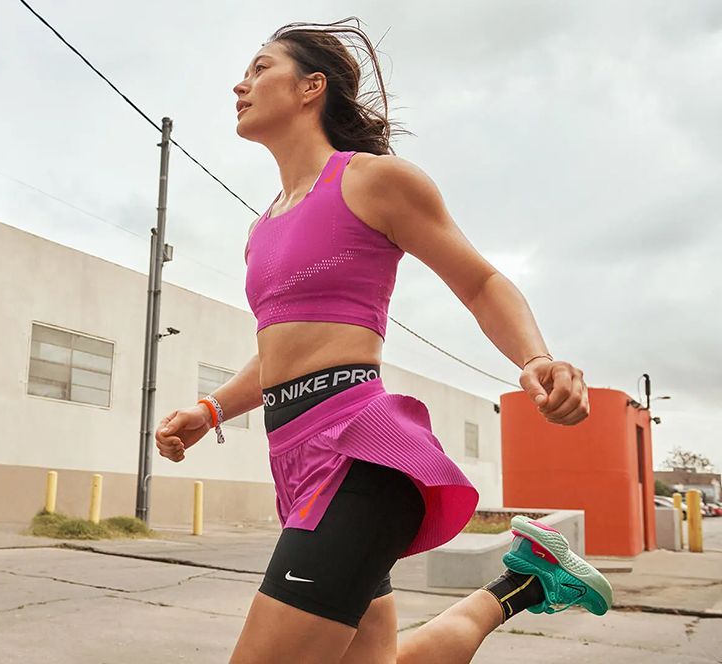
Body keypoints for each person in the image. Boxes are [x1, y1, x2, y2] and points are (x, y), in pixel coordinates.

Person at [153, 18, 613, 664]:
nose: (241, 83)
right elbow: (283, 350)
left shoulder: (372, 181)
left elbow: (479, 281)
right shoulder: (261, 230)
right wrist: (211, 410)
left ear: (311, 87)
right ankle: (526, 582)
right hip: (295, 461)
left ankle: (527, 579)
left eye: (260, 68)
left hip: (358, 457)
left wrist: (535, 358)